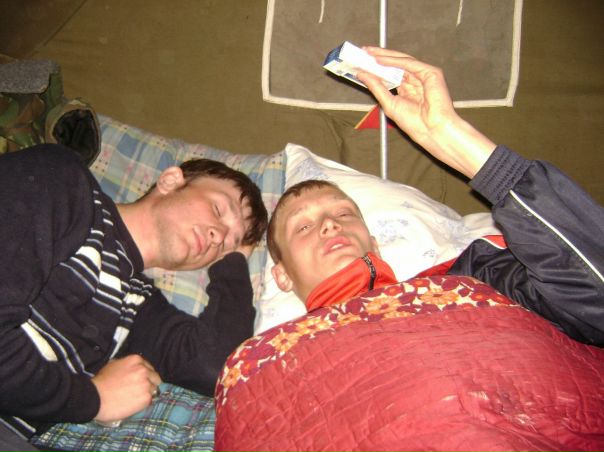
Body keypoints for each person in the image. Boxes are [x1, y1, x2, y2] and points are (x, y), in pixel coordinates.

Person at [267, 47, 604, 346]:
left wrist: (451, 136)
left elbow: (594, 300)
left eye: (344, 214)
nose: (329, 224)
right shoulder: (270, 356)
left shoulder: (469, 280)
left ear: (375, 244)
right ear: (281, 275)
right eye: (304, 227)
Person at [0, 143, 268, 440]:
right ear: (170, 181)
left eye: (227, 243)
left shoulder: (138, 307)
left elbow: (216, 366)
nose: (218, 236)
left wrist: (233, 262)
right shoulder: (61, 179)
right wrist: (94, 399)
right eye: (218, 209)